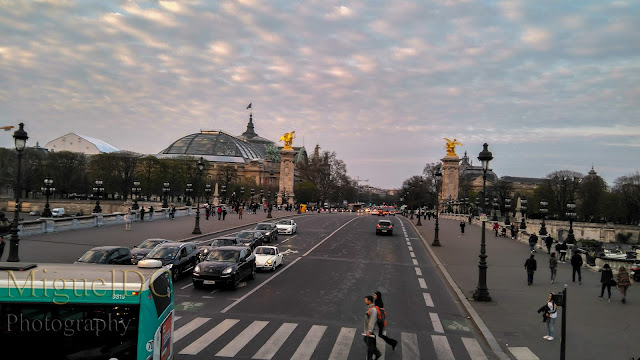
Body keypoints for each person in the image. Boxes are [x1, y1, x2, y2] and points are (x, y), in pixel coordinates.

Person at [363, 295, 382, 360]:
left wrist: (369, 331)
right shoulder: (370, 308)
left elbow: (372, 321)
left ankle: (370, 358)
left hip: (371, 332)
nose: (365, 301)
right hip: (369, 331)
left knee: (370, 347)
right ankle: (377, 353)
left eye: (366, 300)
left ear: (369, 301)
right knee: (366, 340)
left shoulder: (373, 310)